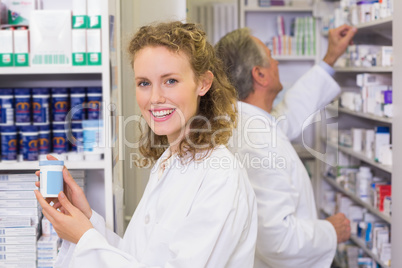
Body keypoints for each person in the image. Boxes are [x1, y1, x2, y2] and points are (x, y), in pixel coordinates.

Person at [34, 21, 258, 268]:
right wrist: (86, 220)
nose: (155, 98)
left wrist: (84, 237)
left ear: (203, 83)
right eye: (144, 83)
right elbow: (138, 259)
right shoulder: (169, 161)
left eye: (170, 81)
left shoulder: (220, 175)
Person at [214, 25, 356, 268]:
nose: (277, 61)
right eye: (271, 55)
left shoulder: (245, 122)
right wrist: (330, 231)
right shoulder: (257, 141)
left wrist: (330, 57)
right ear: (259, 75)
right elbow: (278, 240)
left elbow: (288, 114)